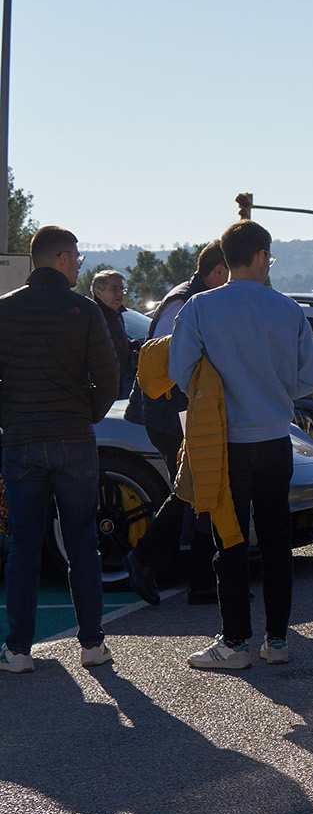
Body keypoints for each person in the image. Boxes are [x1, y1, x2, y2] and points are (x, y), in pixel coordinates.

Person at [170, 221, 313, 669]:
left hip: (225, 444)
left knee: (230, 542)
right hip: (276, 439)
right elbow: (310, 380)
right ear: (259, 255)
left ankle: (234, 641)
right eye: (269, 258)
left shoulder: (200, 307)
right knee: (278, 541)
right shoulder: (289, 309)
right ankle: (277, 640)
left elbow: (182, 372)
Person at [0, 227, 121, 674]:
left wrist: (9, 417)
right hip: (73, 439)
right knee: (82, 543)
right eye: (77, 258)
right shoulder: (85, 311)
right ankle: (91, 645)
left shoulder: (5, 310)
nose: (78, 265)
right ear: (63, 258)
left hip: (21, 441)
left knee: (25, 547)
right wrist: (86, 413)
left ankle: (18, 650)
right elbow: (109, 376)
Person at [124, 242, 228, 605]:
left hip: (185, 412)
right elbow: (166, 363)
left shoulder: (197, 299)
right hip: (173, 415)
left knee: (199, 492)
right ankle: (146, 558)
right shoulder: (184, 304)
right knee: (192, 491)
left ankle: (200, 581)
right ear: (218, 272)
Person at [89, 269, 136, 397]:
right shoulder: (94, 317)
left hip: (123, 384)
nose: (119, 293)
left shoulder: (117, 314)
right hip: (105, 389)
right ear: (98, 293)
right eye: (114, 289)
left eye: (121, 289)